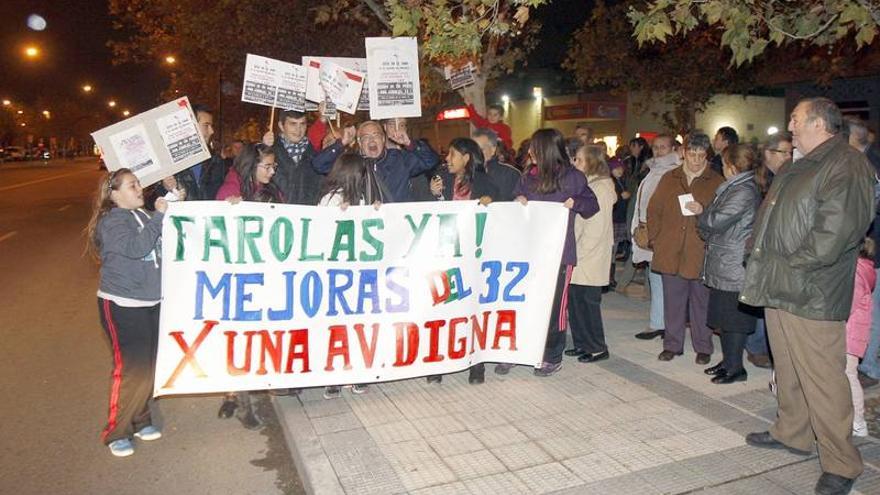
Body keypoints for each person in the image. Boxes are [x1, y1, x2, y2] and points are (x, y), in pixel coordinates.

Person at [741, 97, 874, 495]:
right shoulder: (803, 163)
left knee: (822, 377)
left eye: (796, 120)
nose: (790, 128)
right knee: (789, 367)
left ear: (818, 123)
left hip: (811, 288)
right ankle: (793, 432)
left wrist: (788, 265)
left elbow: (833, 236)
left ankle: (842, 463)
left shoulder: (846, 165)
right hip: (781, 283)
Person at [496, 128, 599, 377]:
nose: (529, 151)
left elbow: (592, 204)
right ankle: (515, 351)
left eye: (534, 147)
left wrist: (577, 203)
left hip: (559, 256)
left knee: (553, 309)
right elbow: (516, 205)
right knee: (520, 304)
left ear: (545, 150)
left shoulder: (573, 178)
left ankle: (551, 355)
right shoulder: (527, 177)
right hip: (527, 254)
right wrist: (518, 202)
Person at [85, 168, 168, 457]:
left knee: (148, 367)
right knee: (132, 369)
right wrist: (158, 217)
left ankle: (141, 419)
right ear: (114, 194)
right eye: (132, 185)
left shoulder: (144, 215)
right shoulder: (112, 222)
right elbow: (136, 247)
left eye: (138, 184)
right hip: (121, 305)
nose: (139, 189)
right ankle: (116, 431)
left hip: (150, 302)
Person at [215, 143, 283, 426]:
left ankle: (258, 382)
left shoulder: (274, 191)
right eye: (267, 166)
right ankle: (241, 401)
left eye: (273, 166)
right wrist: (228, 211)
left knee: (261, 336)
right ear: (250, 167)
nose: (272, 171)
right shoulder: (229, 191)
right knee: (239, 339)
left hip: (267, 275)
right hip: (237, 279)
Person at [648, 132, 724, 363]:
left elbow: (723, 216)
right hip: (671, 250)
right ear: (684, 153)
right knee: (673, 302)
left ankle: (703, 346)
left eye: (702, 155)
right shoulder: (670, 178)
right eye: (692, 154)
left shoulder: (716, 181)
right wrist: (656, 239)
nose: (697, 160)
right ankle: (672, 344)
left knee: (701, 303)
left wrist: (704, 210)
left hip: (700, 251)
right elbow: (654, 210)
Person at [426, 138, 498, 384]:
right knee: (444, 307)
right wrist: (433, 195)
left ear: (466, 158)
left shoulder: (485, 182)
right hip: (446, 255)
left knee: (472, 310)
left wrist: (490, 204)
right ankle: (439, 362)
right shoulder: (441, 179)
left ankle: (476, 364)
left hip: (474, 259)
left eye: (452, 155)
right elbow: (428, 213)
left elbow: (501, 211)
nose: (447, 159)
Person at [698, 144, 762, 383]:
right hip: (724, 260)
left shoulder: (743, 190)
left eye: (724, 164)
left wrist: (702, 214)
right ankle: (728, 361)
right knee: (723, 317)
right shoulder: (734, 187)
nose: (722, 168)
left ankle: (736, 368)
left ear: (732, 167)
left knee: (734, 320)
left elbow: (715, 220)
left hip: (733, 263)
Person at [317, 153, 376, 398]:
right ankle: (334, 375)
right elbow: (319, 234)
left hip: (357, 275)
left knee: (356, 325)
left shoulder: (361, 199)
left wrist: (375, 214)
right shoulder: (330, 200)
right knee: (336, 327)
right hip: (335, 275)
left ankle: (355, 371)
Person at [746, 132, 793, 369]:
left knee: (770, 303)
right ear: (768, 154)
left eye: (790, 152)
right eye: (783, 152)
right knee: (759, 301)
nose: (788, 157)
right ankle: (756, 346)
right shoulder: (754, 182)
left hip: (776, 250)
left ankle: (767, 347)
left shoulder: (788, 178)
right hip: (757, 248)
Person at [565, 145, 615, 363]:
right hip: (581, 255)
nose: (574, 163)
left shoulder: (601, 189)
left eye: (578, 160)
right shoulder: (589, 184)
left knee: (588, 305)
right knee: (576, 303)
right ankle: (581, 343)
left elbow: (596, 229)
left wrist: (580, 254)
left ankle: (596, 347)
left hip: (588, 257)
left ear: (591, 162)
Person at [627, 135, 679, 339]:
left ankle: (668, 324)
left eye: (663, 147)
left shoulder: (674, 172)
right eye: (656, 147)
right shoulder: (653, 170)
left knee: (668, 281)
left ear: (673, 148)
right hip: (648, 232)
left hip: (663, 234)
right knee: (655, 278)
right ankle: (658, 322)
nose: (659, 151)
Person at [313, 120, 439, 203]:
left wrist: (410, 143)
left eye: (376, 135)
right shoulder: (350, 163)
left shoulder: (399, 159)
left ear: (383, 139)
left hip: (398, 231)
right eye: (366, 137)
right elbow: (319, 165)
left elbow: (431, 161)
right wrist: (341, 143)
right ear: (360, 142)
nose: (372, 140)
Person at [156, 104, 226, 202]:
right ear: (190, 126)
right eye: (206, 125)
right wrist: (165, 188)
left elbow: (222, 194)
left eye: (211, 126)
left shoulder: (216, 161)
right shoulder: (167, 163)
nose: (212, 131)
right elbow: (150, 203)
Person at [845, 238, 875, 438]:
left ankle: (858, 421)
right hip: (852, 333)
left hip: (849, 334)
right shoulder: (863, 268)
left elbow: (847, 306)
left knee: (848, 375)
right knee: (847, 376)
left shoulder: (855, 272)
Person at [262, 109, 323, 205]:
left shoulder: (316, 153)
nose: (298, 130)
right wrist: (263, 150)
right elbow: (249, 176)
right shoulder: (270, 151)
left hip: (309, 216)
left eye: (302, 124)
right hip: (276, 214)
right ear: (281, 126)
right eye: (293, 124)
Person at [473, 128, 521, 201]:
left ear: (493, 150)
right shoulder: (466, 172)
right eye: (472, 150)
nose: (475, 154)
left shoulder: (510, 174)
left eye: (481, 150)